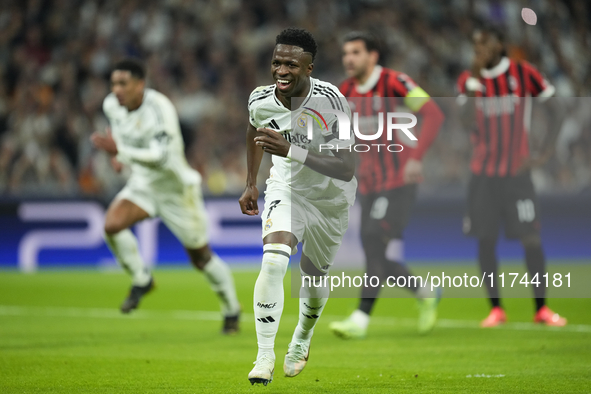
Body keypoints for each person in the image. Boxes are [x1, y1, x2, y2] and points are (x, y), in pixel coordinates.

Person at [239, 28, 356, 385]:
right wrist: (251, 182)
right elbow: (254, 130)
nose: (281, 70)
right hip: (286, 189)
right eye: (276, 62)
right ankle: (263, 358)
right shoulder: (260, 99)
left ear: (309, 67)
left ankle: (302, 337)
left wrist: (291, 150)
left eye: (291, 64)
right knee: (274, 258)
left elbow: (347, 165)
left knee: (314, 278)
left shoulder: (333, 102)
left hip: (330, 200)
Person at [91, 59, 241, 334]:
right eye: (113, 83)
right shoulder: (112, 105)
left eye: (123, 83)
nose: (116, 90)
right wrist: (117, 153)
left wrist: (120, 151)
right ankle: (142, 278)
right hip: (144, 184)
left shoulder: (160, 109)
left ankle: (232, 309)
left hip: (177, 189)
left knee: (201, 258)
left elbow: (160, 158)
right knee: (111, 226)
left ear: (140, 84)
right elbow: (120, 133)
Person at [329, 32, 445, 339]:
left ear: (373, 56)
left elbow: (433, 113)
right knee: (374, 252)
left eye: (355, 52)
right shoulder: (345, 91)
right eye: (345, 53)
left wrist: (416, 157)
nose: (348, 59)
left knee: (371, 238)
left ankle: (360, 318)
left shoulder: (396, 83)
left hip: (399, 181)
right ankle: (425, 292)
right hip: (369, 185)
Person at [456, 26, 566, 327]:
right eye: (475, 45)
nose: (480, 50)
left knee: (531, 238)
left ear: (499, 44)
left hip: (517, 176)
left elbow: (557, 110)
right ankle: (496, 309)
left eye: (485, 43)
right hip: (482, 177)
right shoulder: (469, 80)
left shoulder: (523, 73)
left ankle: (541, 308)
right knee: (485, 241)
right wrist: (474, 85)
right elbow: (464, 120)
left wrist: (542, 154)